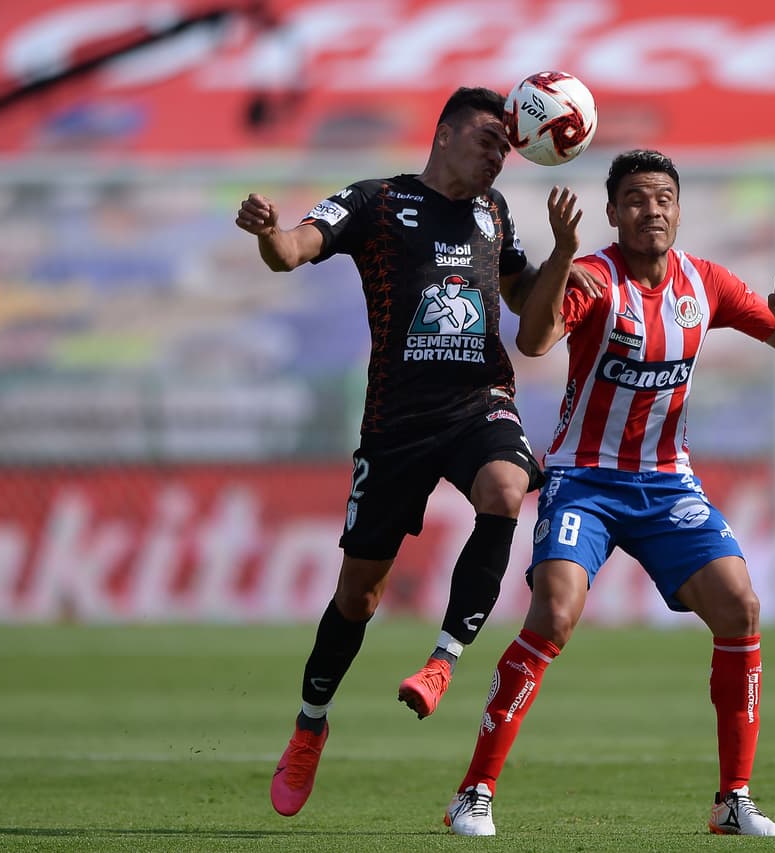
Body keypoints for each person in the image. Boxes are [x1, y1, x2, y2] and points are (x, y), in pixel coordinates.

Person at [235, 86, 598, 818]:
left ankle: (441, 662)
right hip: (396, 422)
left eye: (507, 148)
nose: (500, 156)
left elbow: (527, 304)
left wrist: (563, 257)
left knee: (506, 488)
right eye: (490, 141)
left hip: (479, 403)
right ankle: (310, 725)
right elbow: (293, 250)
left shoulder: (495, 213)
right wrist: (271, 232)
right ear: (445, 134)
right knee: (358, 596)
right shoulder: (376, 201)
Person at [442, 149, 775, 837]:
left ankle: (733, 799)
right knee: (553, 616)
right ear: (614, 213)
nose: (653, 210)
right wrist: (562, 253)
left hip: (667, 483)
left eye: (664, 198)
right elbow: (534, 341)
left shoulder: (705, 281)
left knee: (740, 607)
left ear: (678, 209)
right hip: (584, 481)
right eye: (638, 199)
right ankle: (474, 792)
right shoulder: (593, 277)